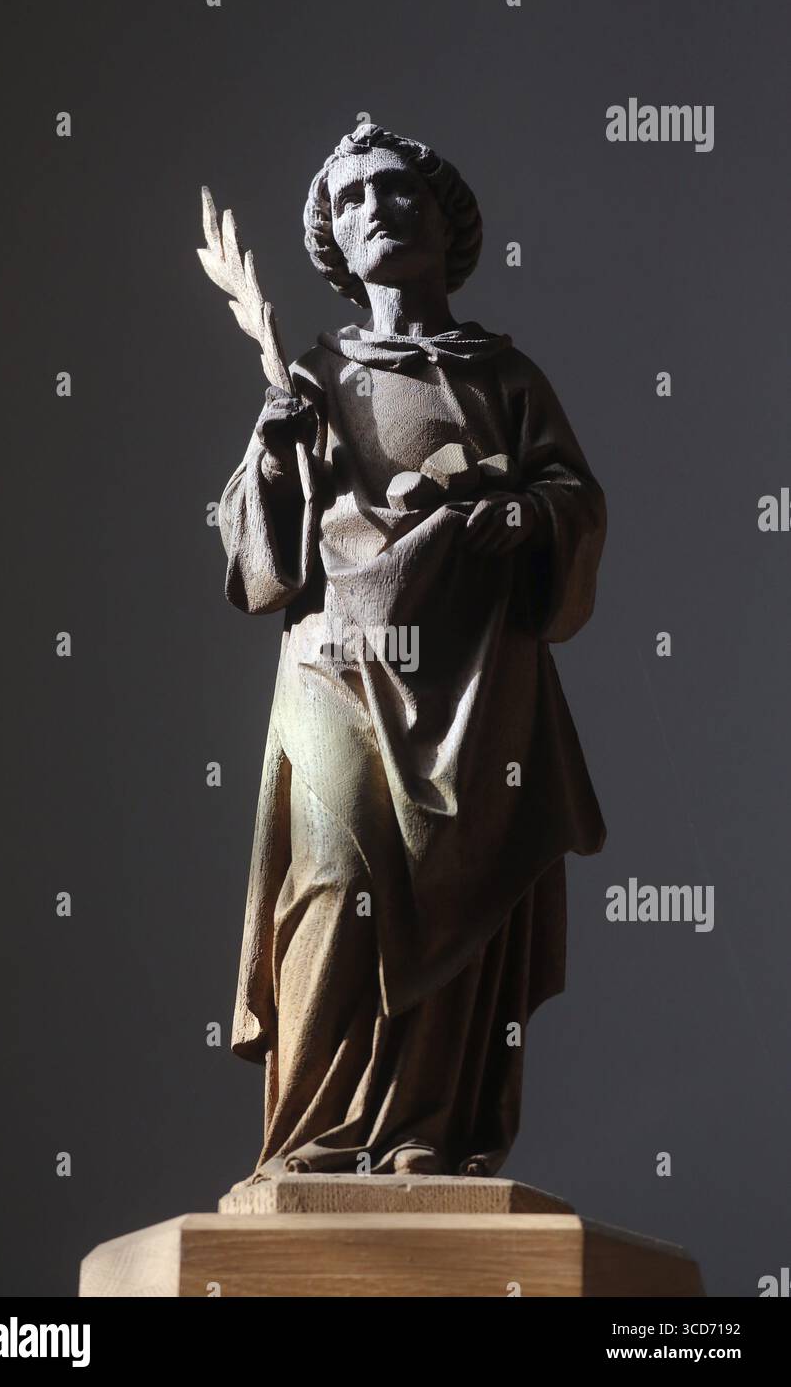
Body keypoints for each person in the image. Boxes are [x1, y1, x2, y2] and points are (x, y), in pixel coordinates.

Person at [218, 123, 606, 1179]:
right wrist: (273, 448)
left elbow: (573, 500)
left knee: (458, 895)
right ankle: (312, 1134)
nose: (373, 209)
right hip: (338, 662)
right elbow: (259, 561)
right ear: (334, 246)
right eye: (348, 201)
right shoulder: (313, 378)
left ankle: (426, 1132)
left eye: (396, 191)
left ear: (446, 223)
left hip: (476, 676)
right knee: (337, 880)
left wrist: (524, 520)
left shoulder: (502, 373)